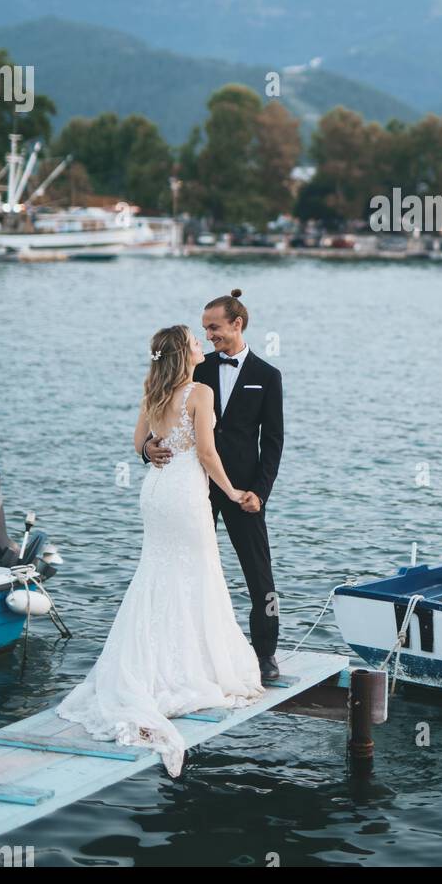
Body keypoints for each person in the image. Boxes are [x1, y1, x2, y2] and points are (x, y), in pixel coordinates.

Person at [56, 325, 264, 777]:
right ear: (184, 353)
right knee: (198, 573)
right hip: (187, 494)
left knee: (157, 574)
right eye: (193, 340)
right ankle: (189, 666)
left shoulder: (153, 390)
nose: (199, 344)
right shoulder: (201, 392)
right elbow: (207, 455)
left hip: (155, 494)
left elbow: (138, 445)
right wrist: (231, 492)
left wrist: (152, 447)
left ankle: (153, 664)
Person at [142, 290, 284, 683]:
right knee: (187, 569)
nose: (208, 337)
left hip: (243, 489)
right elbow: (161, 413)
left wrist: (260, 490)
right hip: (191, 488)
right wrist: (146, 447)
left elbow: (273, 441)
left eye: (214, 328)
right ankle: (183, 654)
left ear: (237, 324)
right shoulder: (196, 369)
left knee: (260, 577)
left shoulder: (267, 376)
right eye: (204, 329)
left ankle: (266, 655)